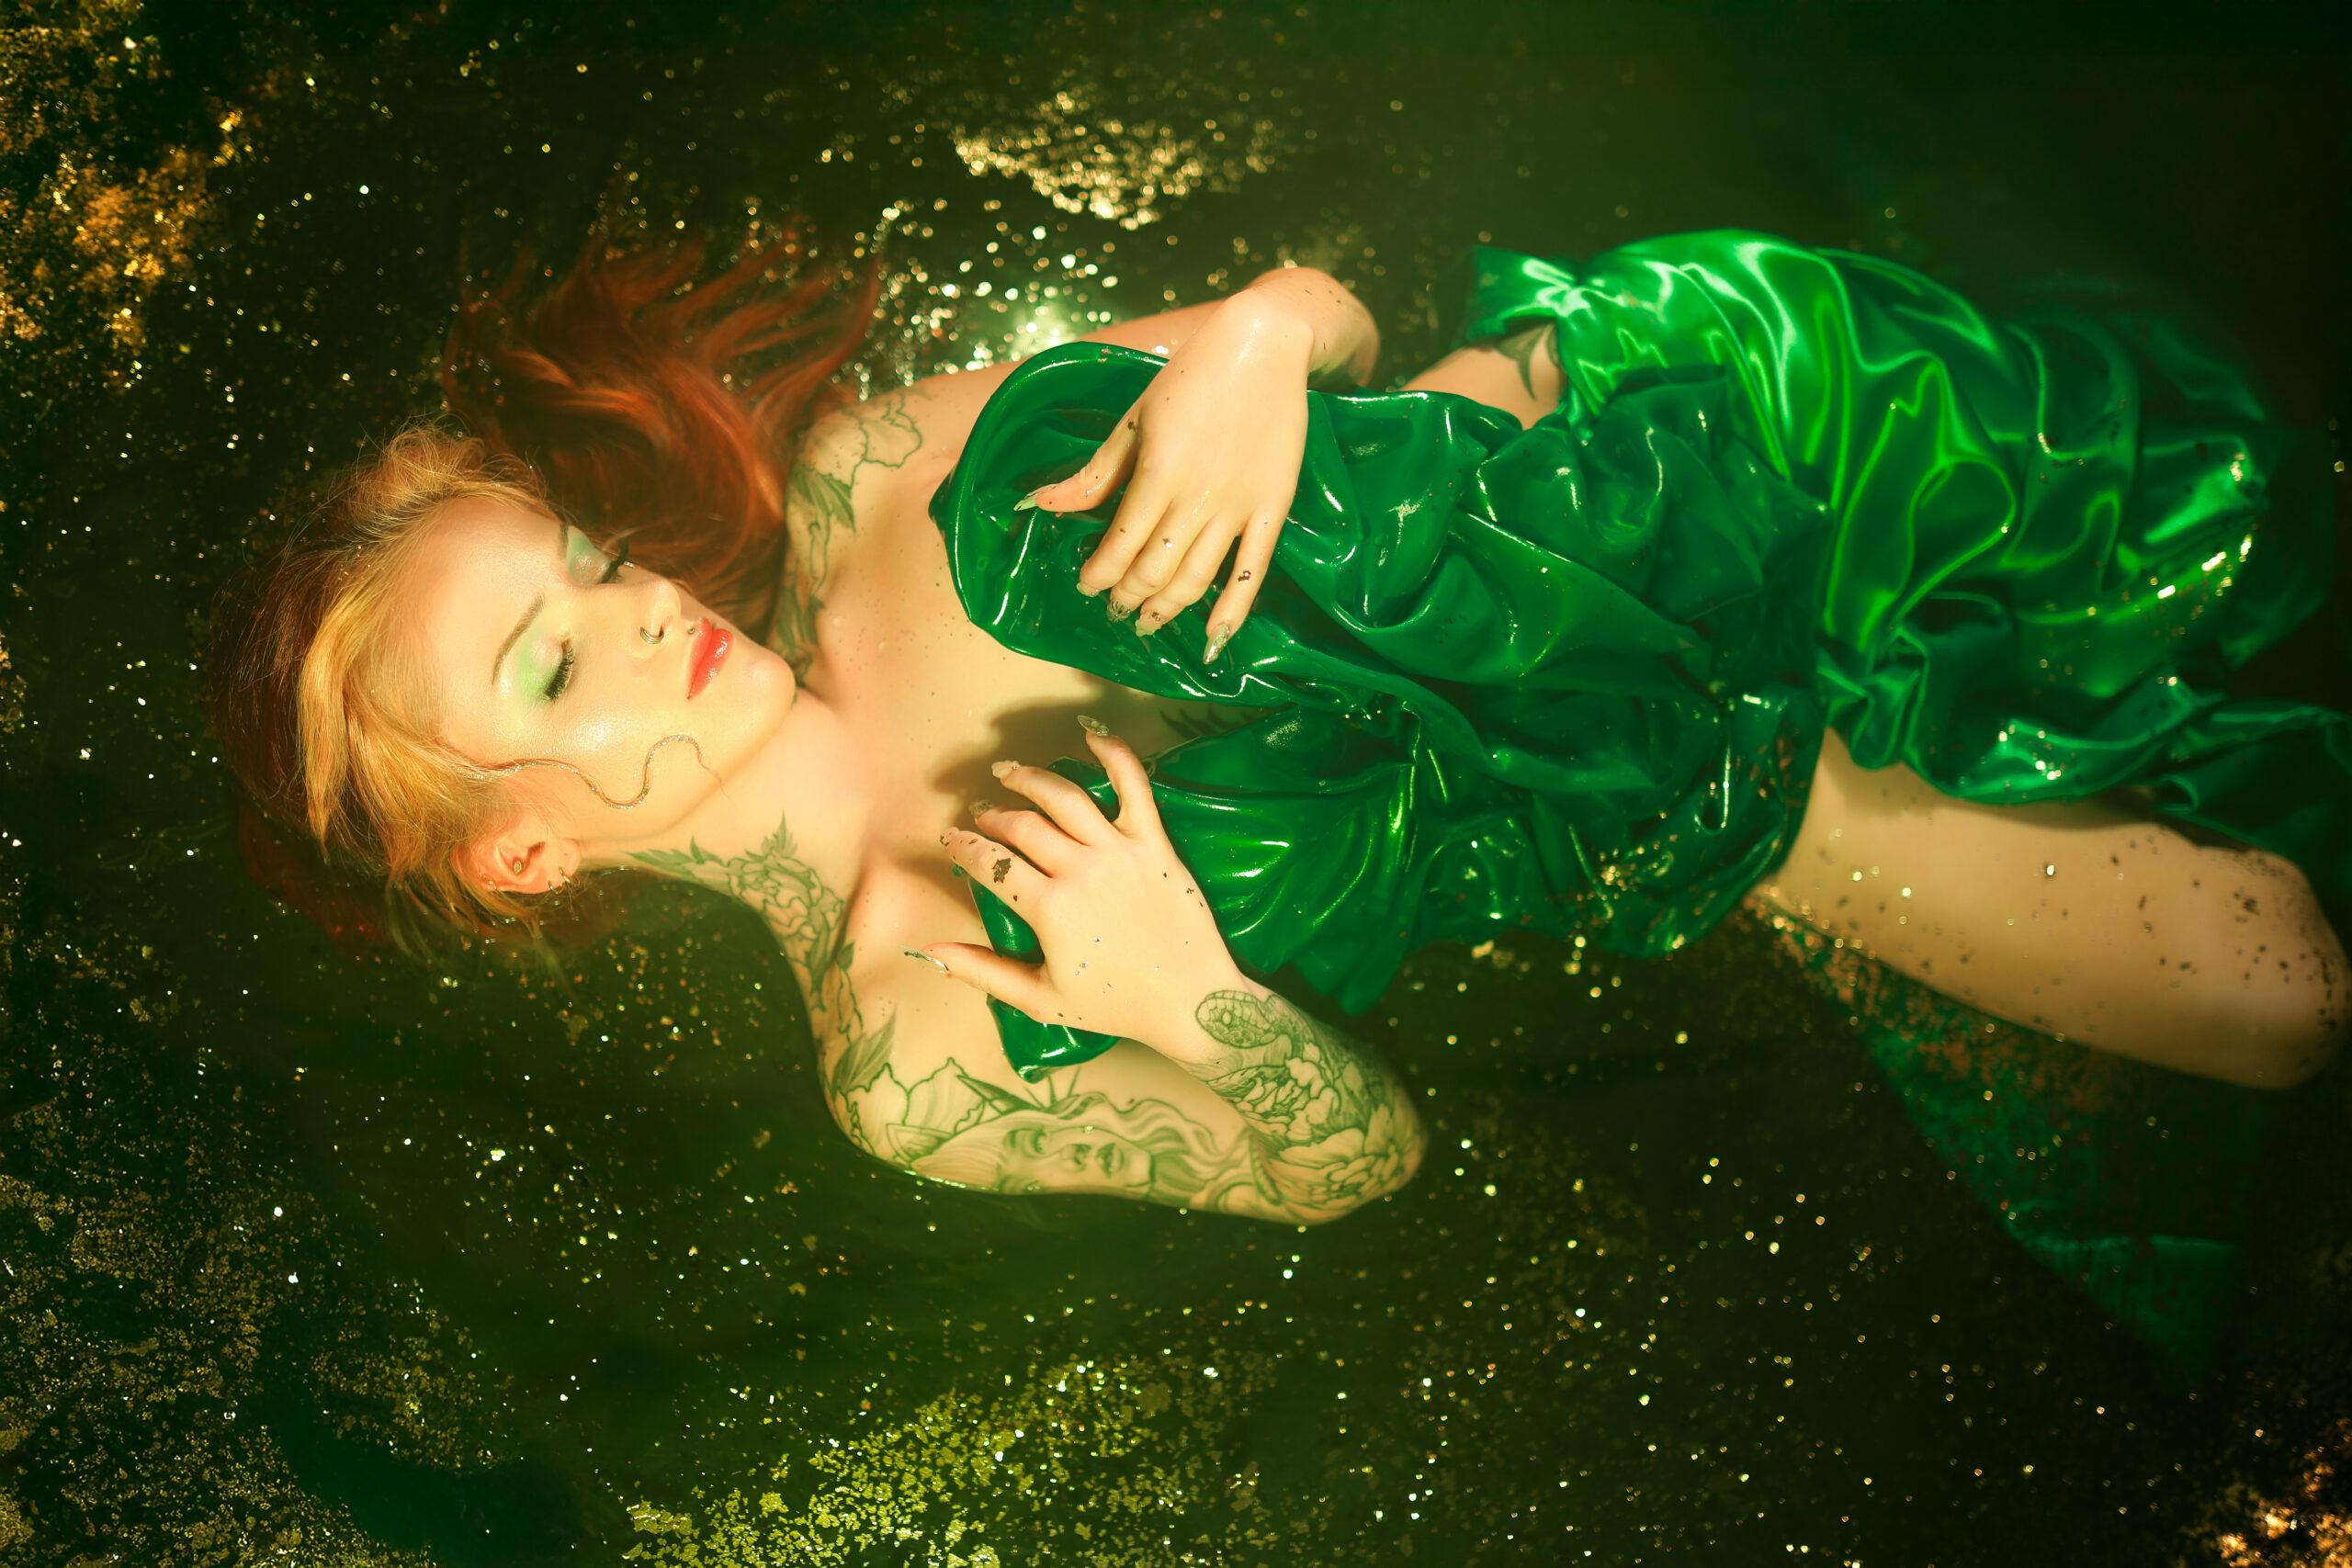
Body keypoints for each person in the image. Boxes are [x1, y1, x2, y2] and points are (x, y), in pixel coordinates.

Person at [209, 227, 2347, 1229]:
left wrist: (1250, 340)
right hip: (1687, 794)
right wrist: (1182, 992)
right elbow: (1350, 1161)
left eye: (588, 557)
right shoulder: (911, 1047)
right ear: (519, 848)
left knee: (2241, 478)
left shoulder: (873, 485)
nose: (639, 609)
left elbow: (1349, 310)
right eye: (552, 666)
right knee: (2284, 1005)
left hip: (1655, 437)